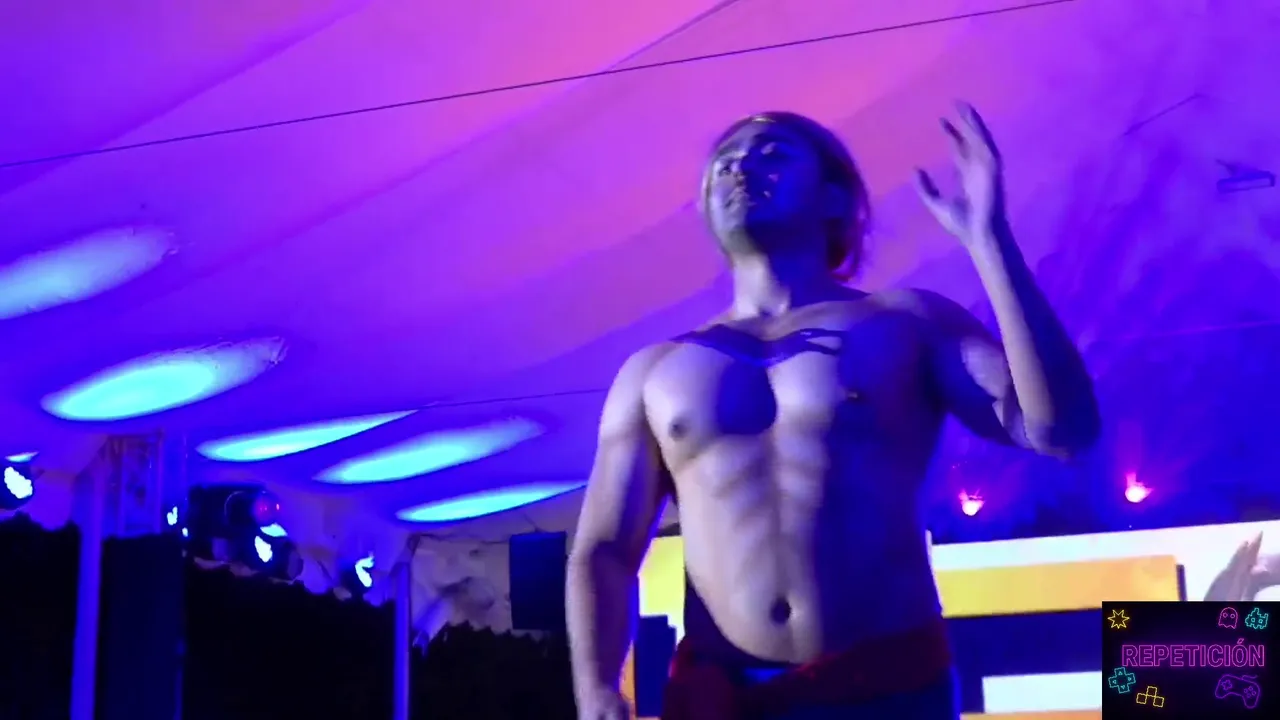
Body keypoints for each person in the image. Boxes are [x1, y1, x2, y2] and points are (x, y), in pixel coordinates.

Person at [566, 105, 1100, 720]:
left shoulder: (906, 323)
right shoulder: (655, 370)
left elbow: (1063, 429)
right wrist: (596, 689)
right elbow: (605, 548)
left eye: (772, 153)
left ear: (834, 198)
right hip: (723, 697)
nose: (740, 167)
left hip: (885, 692)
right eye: (724, 162)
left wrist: (991, 243)